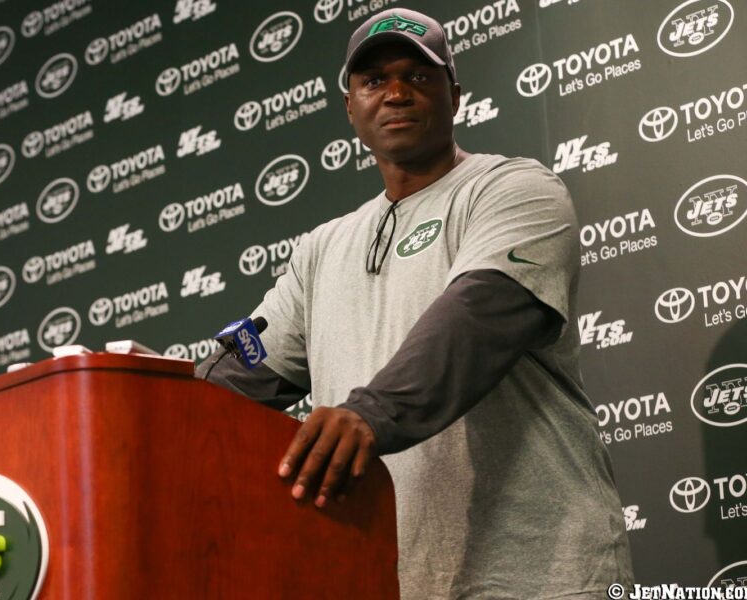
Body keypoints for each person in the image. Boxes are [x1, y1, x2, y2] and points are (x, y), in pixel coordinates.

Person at [198, 8, 634, 599]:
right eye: (374, 80)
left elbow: (482, 317)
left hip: (540, 574)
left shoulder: (514, 189)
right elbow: (241, 377)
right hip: (393, 579)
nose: (397, 93)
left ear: (454, 96)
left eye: (419, 76)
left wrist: (369, 414)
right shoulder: (322, 248)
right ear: (350, 107)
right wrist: (157, 399)